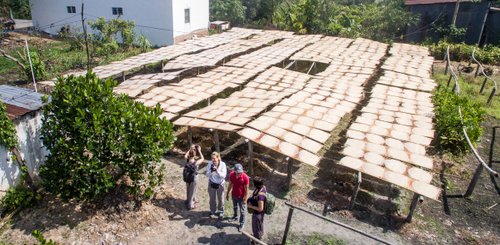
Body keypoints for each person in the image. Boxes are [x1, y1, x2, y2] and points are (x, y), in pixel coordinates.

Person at [226, 163, 249, 230]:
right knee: (235, 207)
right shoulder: (231, 175)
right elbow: (230, 184)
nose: (239, 174)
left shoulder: (245, 177)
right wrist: (227, 193)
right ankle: (235, 217)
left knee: (242, 211)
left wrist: (245, 198)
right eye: (237, 172)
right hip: (234, 195)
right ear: (234, 171)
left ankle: (242, 224)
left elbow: (246, 189)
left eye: (240, 172)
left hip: (241, 197)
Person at [206, 151, 227, 218]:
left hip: (220, 185)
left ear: (218, 158)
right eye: (212, 158)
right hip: (211, 184)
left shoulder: (223, 164)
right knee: (212, 199)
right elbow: (207, 174)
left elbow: (223, 176)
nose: (213, 160)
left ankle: (221, 211)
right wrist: (211, 171)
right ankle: (212, 211)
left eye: (214, 158)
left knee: (220, 199)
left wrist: (217, 171)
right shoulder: (210, 164)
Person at [184, 144, 204, 210]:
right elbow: (202, 158)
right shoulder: (196, 162)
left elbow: (185, 155)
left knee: (188, 189)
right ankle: (190, 205)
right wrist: (200, 151)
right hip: (194, 178)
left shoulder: (187, 160)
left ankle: (188, 200)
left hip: (187, 177)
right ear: (195, 155)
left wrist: (190, 149)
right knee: (192, 191)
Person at [247, 176, 267, 241]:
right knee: (260, 224)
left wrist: (250, 206)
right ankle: (260, 234)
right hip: (259, 214)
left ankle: (257, 240)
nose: (252, 184)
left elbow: (260, 208)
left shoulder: (260, 196)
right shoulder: (262, 187)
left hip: (258, 214)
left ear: (256, 185)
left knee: (256, 227)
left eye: (253, 183)